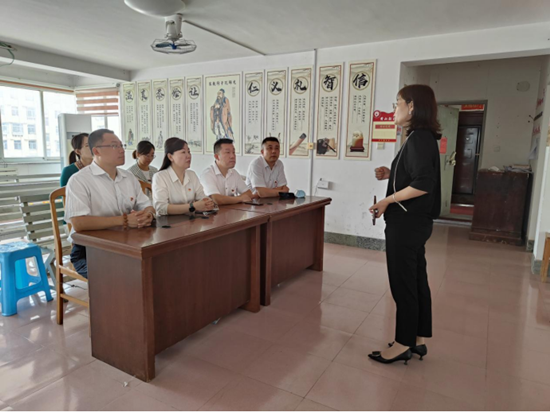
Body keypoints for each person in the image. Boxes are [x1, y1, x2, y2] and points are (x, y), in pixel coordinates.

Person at [368, 84, 441, 365]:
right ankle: (417, 339)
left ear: (411, 106)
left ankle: (402, 343)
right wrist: (392, 174)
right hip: (415, 222)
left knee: (403, 284)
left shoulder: (419, 138)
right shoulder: (420, 138)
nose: (393, 109)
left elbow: (423, 183)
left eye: (397, 103)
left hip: (407, 223)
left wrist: (386, 201)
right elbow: (416, 175)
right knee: (416, 280)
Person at [65, 129, 156, 278]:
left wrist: (149, 215)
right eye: (114, 146)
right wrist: (124, 220)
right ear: (96, 151)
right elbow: (78, 223)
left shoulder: (128, 177)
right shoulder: (79, 180)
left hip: (126, 243)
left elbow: (147, 205)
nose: (122, 150)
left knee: (155, 265)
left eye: (121, 145)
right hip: (90, 250)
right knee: (123, 275)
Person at [153, 137, 215, 216]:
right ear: (170, 157)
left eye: (189, 152)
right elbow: (161, 208)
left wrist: (207, 202)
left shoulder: (192, 175)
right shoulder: (160, 177)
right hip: (169, 222)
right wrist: (192, 206)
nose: (188, 156)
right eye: (183, 152)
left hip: (191, 220)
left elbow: (201, 196)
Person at [200, 138, 257, 205]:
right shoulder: (207, 174)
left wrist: (231, 199)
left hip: (232, 210)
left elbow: (249, 194)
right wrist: (240, 198)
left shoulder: (234, 173)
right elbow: (216, 199)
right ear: (217, 157)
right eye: (227, 152)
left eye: (233, 152)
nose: (232, 156)